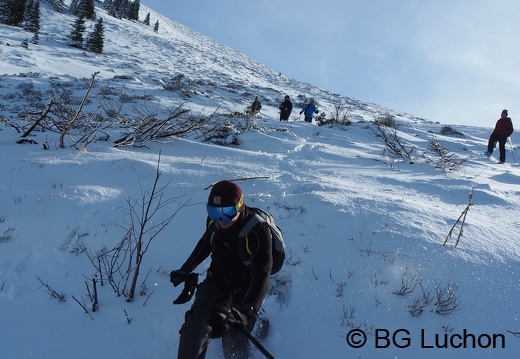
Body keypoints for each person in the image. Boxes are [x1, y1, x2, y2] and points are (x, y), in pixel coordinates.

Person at [170, 180, 273, 359]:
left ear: (240, 206)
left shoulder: (258, 231)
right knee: (194, 327)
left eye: (228, 212)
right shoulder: (214, 222)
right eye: (214, 211)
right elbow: (206, 243)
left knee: (233, 339)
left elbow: (262, 275)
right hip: (216, 282)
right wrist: (185, 269)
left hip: (245, 289)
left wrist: (248, 310)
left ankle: (259, 323)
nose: (220, 218)